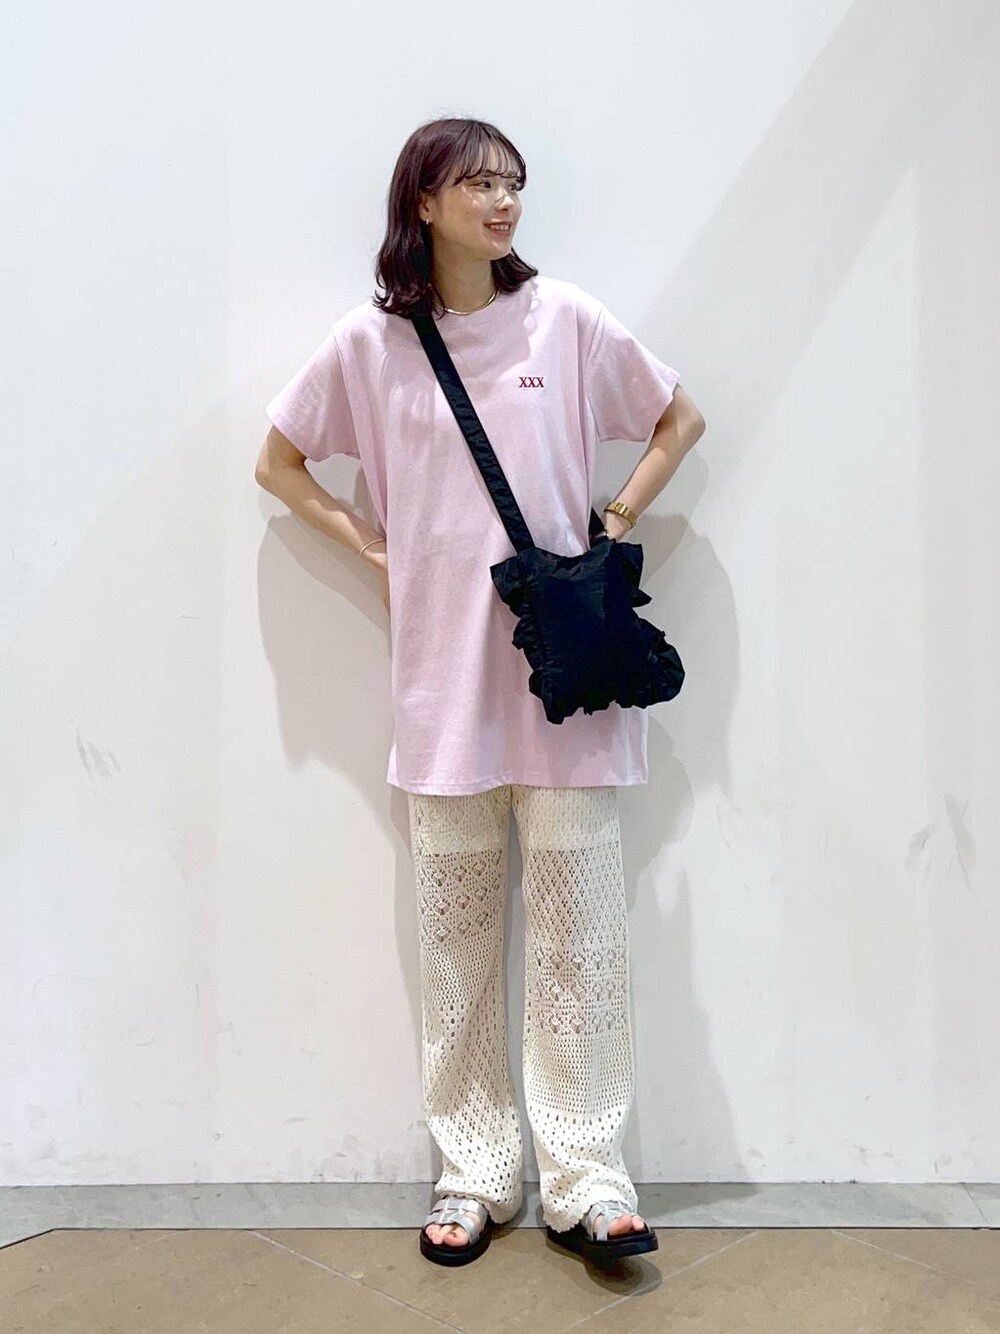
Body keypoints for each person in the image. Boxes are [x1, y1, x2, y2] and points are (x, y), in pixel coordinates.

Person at [255, 117, 706, 1268]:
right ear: (423, 202)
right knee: (455, 952)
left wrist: (614, 515)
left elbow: (678, 416)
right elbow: (278, 460)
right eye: (477, 183)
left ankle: (588, 1177)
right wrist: (370, 545)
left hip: (567, 694)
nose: (502, 201)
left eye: (513, 182)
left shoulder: (566, 320)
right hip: (442, 695)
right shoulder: (371, 344)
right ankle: (473, 1171)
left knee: (579, 946)